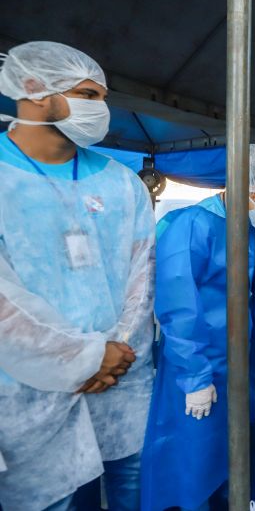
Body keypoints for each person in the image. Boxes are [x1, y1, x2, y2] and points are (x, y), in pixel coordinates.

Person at [0, 41, 155, 511]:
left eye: (103, 98)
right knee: (54, 498)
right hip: (29, 393)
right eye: (88, 95)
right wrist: (83, 356)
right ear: (33, 89)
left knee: (133, 491)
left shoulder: (120, 182)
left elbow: (142, 276)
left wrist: (118, 350)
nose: (100, 109)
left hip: (121, 382)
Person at [142, 150, 255, 511]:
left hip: (235, 355)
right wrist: (194, 377)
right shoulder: (193, 223)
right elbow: (178, 303)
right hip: (194, 358)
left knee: (226, 445)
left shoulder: (248, 227)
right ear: (245, 187)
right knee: (192, 450)